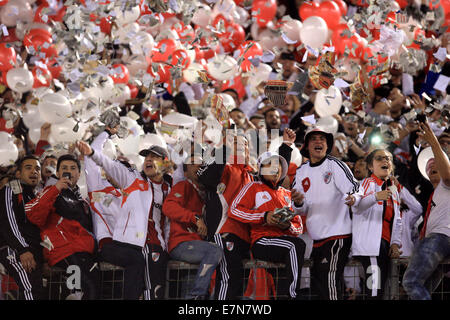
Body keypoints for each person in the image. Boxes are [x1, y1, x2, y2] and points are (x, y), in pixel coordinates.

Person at [198, 128, 296, 300]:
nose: (241, 146)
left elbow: (275, 178)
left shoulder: (251, 177)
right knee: (229, 281)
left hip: (248, 237)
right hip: (226, 233)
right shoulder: (223, 169)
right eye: (236, 143)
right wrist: (224, 149)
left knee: (239, 286)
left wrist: (286, 147)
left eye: (245, 144)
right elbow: (207, 179)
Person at [77, 129, 172, 300]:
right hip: (126, 245)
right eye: (146, 157)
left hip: (155, 245)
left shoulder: (168, 189)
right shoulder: (133, 180)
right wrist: (94, 148)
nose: (148, 160)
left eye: (154, 157)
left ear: (165, 164)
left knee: (156, 290)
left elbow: (166, 222)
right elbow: (106, 162)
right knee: (139, 274)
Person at [292, 127, 359, 300]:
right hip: (316, 238)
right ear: (307, 146)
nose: (318, 142)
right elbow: (300, 209)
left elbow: (354, 189)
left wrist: (353, 198)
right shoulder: (301, 172)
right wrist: (298, 202)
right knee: (320, 284)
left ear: (327, 145)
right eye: (313, 139)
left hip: (338, 234)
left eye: (322, 139)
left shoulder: (335, 165)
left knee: (329, 281)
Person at [229, 151, 305, 300]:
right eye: (269, 164)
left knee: (295, 248)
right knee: (296, 245)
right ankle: (291, 295)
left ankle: (286, 294)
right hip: (262, 241)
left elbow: (299, 227)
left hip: (283, 241)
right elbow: (234, 210)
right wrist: (263, 217)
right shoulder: (253, 187)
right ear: (260, 169)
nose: (275, 168)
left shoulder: (287, 194)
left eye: (278, 165)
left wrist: (286, 226)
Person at [25, 154, 100, 300]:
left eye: (73, 168)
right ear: (58, 173)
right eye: (64, 168)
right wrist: (56, 188)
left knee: (91, 290)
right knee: (87, 290)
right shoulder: (51, 192)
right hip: (64, 252)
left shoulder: (83, 200)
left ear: (79, 174)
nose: (69, 171)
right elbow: (33, 215)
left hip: (84, 253)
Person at [85, 131, 145, 300]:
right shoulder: (99, 188)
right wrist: (106, 133)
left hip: (131, 244)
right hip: (108, 245)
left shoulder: (135, 194)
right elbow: (90, 160)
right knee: (136, 260)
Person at [162, 154, 223, 300]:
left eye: (201, 163)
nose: (199, 166)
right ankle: (195, 296)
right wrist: (195, 218)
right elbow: (168, 207)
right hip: (181, 244)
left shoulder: (207, 193)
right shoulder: (183, 186)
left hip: (197, 248)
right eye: (193, 163)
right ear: (185, 173)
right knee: (215, 250)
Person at [402, 120, 450, 300]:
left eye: (435, 163)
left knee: (411, 282)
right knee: (422, 289)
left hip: (441, 237)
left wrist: (433, 142)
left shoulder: (447, 185)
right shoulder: (435, 194)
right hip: (437, 238)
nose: (431, 166)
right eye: (428, 167)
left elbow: (447, 175)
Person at [349, 149, 404, 299]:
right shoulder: (367, 183)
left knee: (378, 290)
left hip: (385, 245)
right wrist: (375, 197)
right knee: (373, 290)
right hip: (371, 246)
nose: (385, 161)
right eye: (379, 158)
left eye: (388, 158)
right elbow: (357, 207)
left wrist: (395, 243)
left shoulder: (393, 190)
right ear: (371, 167)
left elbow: (397, 219)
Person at [0, 155, 45, 300]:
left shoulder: (38, 195)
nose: (34, 171)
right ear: (18, 174)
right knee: (30, 289)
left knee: (37, 291)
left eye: (38, 169)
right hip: (14, 249)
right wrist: (22, 249)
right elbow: (8, 221)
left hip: (33, 251)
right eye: (28, 168)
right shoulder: (11, 190)